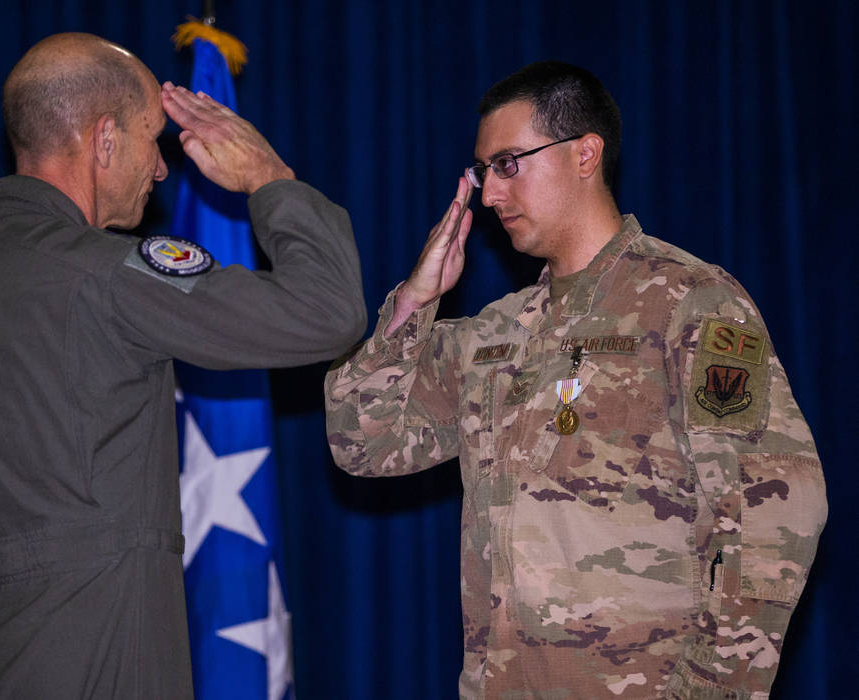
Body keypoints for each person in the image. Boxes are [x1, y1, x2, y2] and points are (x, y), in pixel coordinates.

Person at [324, 61, 825, 699]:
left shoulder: (690, 303)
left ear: (584, 153)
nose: (488, 194)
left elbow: (776, 515)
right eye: (482, 172)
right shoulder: (495, 335)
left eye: (508, 164)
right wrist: (415, 304)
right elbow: (359, 443)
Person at [0, 32, 365, 699]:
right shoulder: (105, 275)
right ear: (103, 140)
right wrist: (269, 179)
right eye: (152, 139)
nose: (163, 168)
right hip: (105, 662)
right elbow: (326, 312)